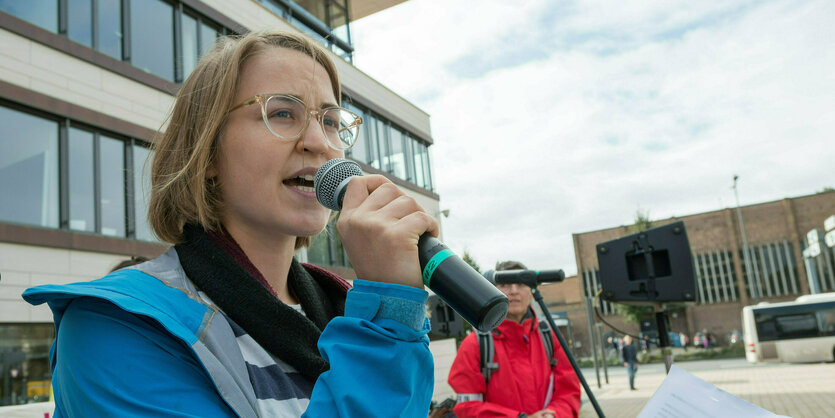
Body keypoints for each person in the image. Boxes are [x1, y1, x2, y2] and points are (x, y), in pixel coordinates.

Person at [22, 30, 439, 417]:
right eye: (282, 113)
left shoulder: (351, 311)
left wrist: (392, 316)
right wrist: (387, 326)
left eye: (330, 121)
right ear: (207, 156)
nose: (319, 141)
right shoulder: (115, 325)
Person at [448, 261, 581, 418]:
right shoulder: (475, 344)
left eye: (521, 284)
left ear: (531, 292)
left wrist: (554, 415)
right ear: (492, 290)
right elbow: (467, 408)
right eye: (505, 284)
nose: (513, 291)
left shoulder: (550, 337)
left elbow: (569, 392)